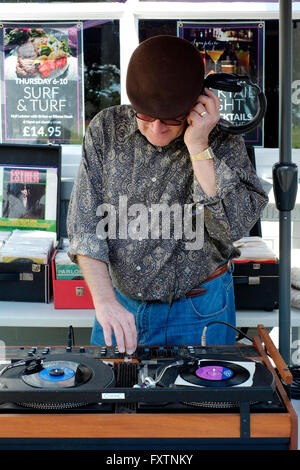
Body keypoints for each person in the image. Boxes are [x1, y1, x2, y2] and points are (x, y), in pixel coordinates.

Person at [67, 35, 268, 354]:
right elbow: (85, 227)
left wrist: (199, 147)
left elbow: (229, 228)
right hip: (119, 307)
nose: (157, 128)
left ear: (198, 101)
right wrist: (104, 302)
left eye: (172, 118)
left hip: (198, 312)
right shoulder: (106, 130)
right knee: (113, 401)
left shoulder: (220, 139)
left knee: (199, 404)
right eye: (145, 116)